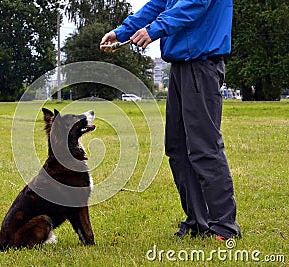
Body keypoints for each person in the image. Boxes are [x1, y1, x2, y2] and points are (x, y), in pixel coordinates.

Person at [100, 0, 241, 240]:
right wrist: (122, 32)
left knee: (204, 148)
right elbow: (157, 5)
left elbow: (193, 4)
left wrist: (153, 30)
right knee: (177, 148)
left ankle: (223, 227)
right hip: (180, 66)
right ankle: (198, 221)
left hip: (202, 63)